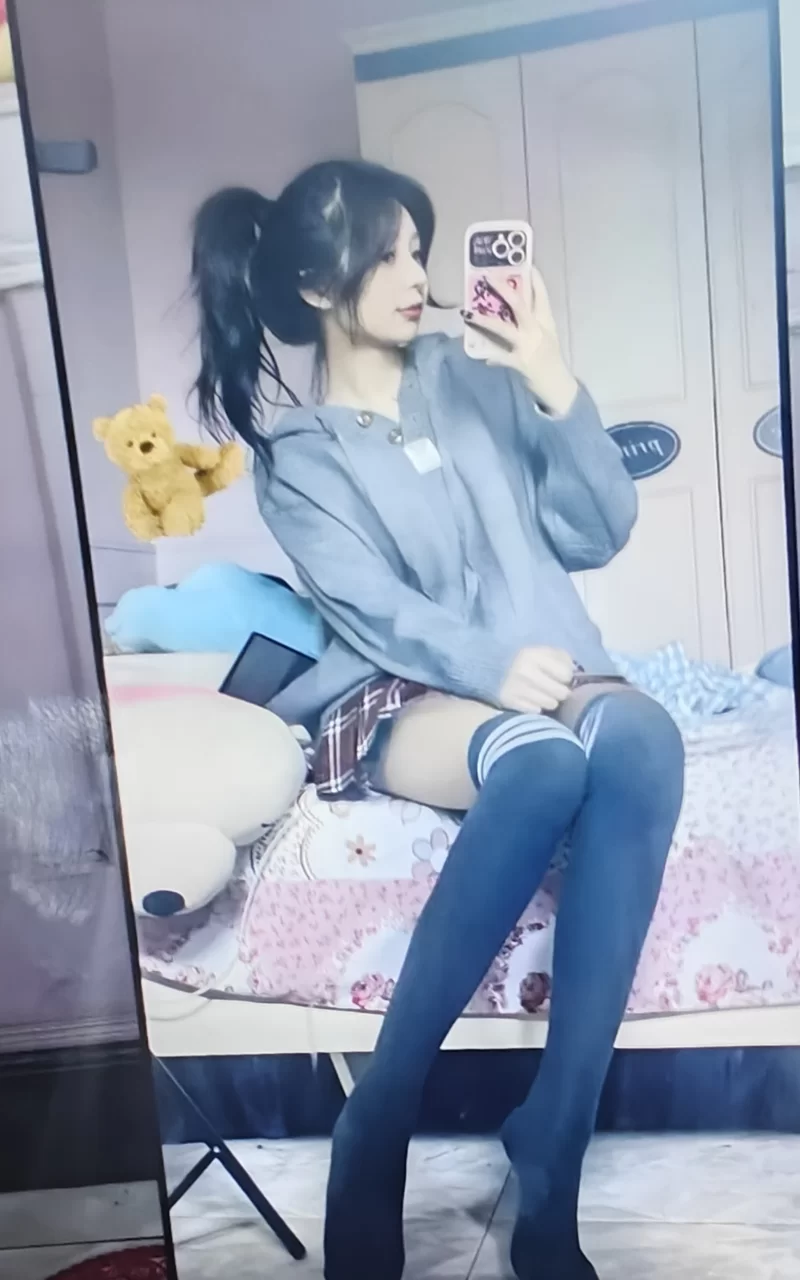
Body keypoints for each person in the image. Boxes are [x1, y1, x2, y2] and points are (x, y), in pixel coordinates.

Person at [191, 160, 685, 1280]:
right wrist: (488, 664)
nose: (417, 273)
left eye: (420, 248)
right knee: (541, 765)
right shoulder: (299, 459)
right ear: (315, 282)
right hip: (403, 686)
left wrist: (552, 380)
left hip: (546, 664)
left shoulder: (478, 377)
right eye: (388, 253)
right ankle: (381, 1112)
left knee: (642, 742)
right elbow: (375, 608)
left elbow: (597, 528)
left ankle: (554, 1138)